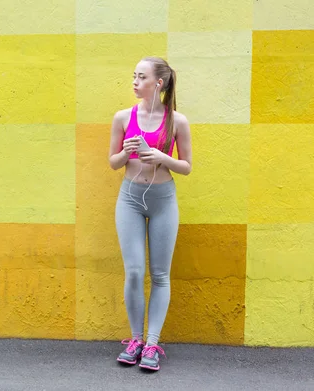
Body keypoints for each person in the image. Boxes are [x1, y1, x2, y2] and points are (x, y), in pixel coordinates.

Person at [107, 57, 193, 371]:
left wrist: (160, 156)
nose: (135, 81)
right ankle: (135, 339)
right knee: (133, 271)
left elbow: (186, 167)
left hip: (163, 200)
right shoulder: (122, 117)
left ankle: (152, 344)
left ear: (158, 83)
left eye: (141, 77)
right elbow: (113, 163)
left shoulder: (177, 121)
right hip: (130, 198)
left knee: (159, 275)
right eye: (134, 76)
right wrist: (128, 151)